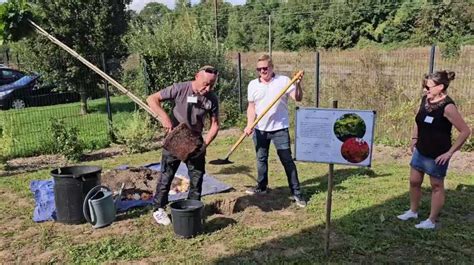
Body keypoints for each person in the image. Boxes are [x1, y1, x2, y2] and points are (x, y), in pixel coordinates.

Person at [397, 70, 471, 229]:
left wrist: (449, 153)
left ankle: (431, 220)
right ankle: (413, 211)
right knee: (414, 181)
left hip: (437, 155)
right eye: (425, 86)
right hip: (421, 150)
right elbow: (418, 120)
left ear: (441, 87)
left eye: (428, 86)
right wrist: (414, 139)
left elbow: (465, 131)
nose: (425, 89)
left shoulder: (448, 107)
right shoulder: (425, 100)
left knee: (436, 186)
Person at [147, 65, 220, 225]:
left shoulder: (212, 99)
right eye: (206, 83)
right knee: (167, 175)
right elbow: (151, 99)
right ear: (196, 77)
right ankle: (158, 209)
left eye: (212, 85)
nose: (208, 88)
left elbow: (215, 125)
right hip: (176, 138)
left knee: (197, 177)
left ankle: (193, 208)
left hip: (195, 141)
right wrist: (165, 118)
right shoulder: (180, 89)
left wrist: (204, 145)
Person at [243, 54, 307, 207]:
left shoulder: (284, 81)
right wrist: (249, 124)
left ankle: (296, 192)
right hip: (260, 129)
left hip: (280, 129)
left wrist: (297, 84)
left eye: (265, 68)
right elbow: (251, 107)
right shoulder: (252, 84)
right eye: (259, 69)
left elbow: (297, 98)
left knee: (287, 160)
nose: (262, 71)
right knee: (261, 159)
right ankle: (262, 187)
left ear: (271, 67)